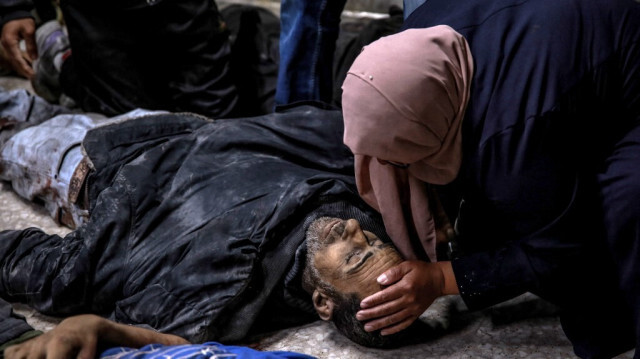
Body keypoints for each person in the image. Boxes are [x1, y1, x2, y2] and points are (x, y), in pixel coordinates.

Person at [0, 93, 433, 356]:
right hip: (169, 126)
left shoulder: (224, 295)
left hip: (89, 164)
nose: (355, 230)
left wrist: (100, 327)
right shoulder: (353, 197)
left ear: (323, 302)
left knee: (18, 130)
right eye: (373, 238)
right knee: (54, 111)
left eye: (356, 256)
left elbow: (170, 339)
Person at [340, 0, 640, 358]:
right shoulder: (415, 46)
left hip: (628, 80)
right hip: (574, 59)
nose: (387, 167)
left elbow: (556, 250)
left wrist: (442, 278)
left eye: (398, 157)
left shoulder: (509, 140)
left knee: (623, 203)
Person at [0, 0, 238, 118]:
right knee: (134, 124)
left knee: (214, 116)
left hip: (180, 6)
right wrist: (14, 7)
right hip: (100, 9)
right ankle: (61, 58)